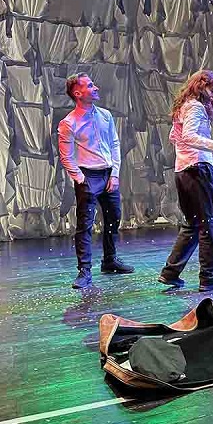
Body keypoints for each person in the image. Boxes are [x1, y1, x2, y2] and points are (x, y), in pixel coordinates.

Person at [158, 70, 213, 291]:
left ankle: (170, 273)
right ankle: (209, 278)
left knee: (192, 224)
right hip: (196, 170)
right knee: (207, 225)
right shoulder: (195, 107)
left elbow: (175, 137)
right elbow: (189, 136)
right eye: (212, 90)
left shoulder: (183, 106)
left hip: (184, 170)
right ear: (202, 87)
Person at [58, 73, 133, 290]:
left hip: (108, 173)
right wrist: (80, 179)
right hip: (88, 176)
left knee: (113, 218)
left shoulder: (105, 115)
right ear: (78, 93)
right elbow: (66, 156)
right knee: (85, 225)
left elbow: (115, 144)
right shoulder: (69, 122)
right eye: (90, 85)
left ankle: (110, 260)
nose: (96, 88)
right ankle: (84, 270)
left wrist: (115, 174)